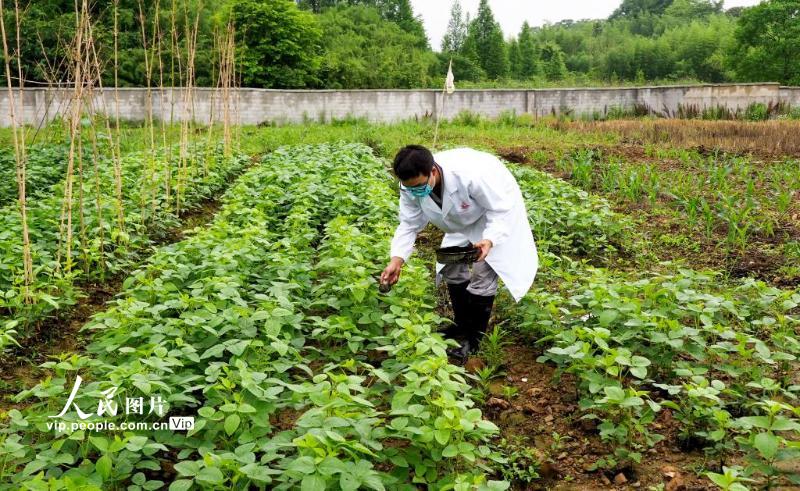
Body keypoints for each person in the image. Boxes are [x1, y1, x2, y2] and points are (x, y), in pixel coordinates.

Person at [380, 145, 538, 362]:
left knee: (482, 275)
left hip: (491, 217)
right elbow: (408, 224)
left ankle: (474, 340)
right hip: (459, 222)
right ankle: (462, 327)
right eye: (410, 188)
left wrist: (489, 239)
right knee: (451, 265)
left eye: (419, 187)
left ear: (433, 171)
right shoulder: (410, 186)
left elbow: (501, 209)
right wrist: (396, 260)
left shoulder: (471, 176)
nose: (415, 192)